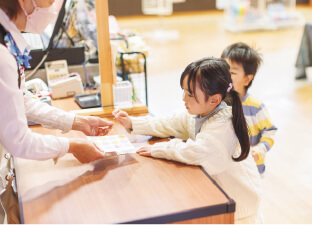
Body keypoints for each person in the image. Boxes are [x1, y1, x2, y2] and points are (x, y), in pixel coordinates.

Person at [0, 0, 113, 222]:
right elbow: (19, 141)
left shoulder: (8, 41)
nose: (55, 7)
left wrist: (77, 122)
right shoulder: (3, 56)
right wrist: (71, 146)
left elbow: (22, 101)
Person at [113, 57, 263, 223]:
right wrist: (133, 122)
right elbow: (169, 122)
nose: (184, 98)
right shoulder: (203, 113)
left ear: (214, 99)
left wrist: (159, 150)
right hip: (223, 200)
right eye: (184, 90)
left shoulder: (223, 126)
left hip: (239, 212)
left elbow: (199, 154)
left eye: (190, 94)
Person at [221, 42, 277, 175]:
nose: (226, 76)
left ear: (247, 79)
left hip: (251, 170)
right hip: (226, 168)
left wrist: (259, 150)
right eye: (223, 70)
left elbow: (270, 131)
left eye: (233, 72)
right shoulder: (217, 102)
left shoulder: (256, 108)